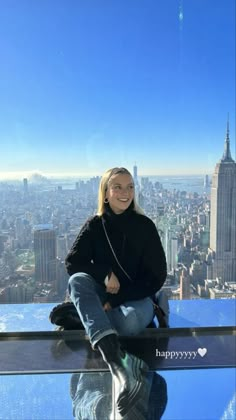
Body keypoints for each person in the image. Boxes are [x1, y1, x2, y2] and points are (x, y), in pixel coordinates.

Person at [63, 167, 167, 415]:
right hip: (101, 295)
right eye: (117, 187)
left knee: (132, 320)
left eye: (130, 186)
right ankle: (120, 367)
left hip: (135, 299)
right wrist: (104, 274)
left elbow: (157, 277)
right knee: (78, 281)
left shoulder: (145, 226)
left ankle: (89, 321)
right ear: (106, 194)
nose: (125, 192)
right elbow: (72, 263)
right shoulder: (94, 226)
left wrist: (118, 297)